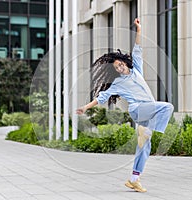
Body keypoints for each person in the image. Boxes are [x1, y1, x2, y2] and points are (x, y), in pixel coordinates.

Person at [76, 18, 174, 193]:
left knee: (145, 146)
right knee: (167, 107)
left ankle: (134, 179)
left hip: (148, 111)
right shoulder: (117, 84)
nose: (120, 68)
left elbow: (137, 49)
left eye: (120, 64)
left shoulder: (137, 69)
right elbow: (102, 97)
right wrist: (85, 107)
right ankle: (150, 132)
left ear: (125, 63)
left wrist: (139, 29)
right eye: (116, 68)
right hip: (137, 110)